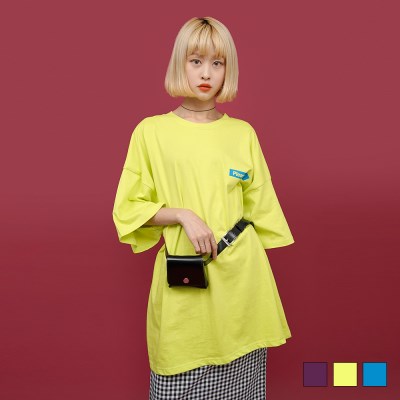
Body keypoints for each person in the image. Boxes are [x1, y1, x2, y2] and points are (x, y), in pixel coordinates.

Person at [112, 16, 295, 400]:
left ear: (229, 69)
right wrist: (183, 215)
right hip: (187, 277)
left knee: (243, 388)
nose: (206, 73)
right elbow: (129, 207)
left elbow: (261, 209)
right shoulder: (151, 132)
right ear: (179, 63)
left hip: (243, 283)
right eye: (196, 61)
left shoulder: (242, 134)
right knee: (177, 373)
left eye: (217, 62)